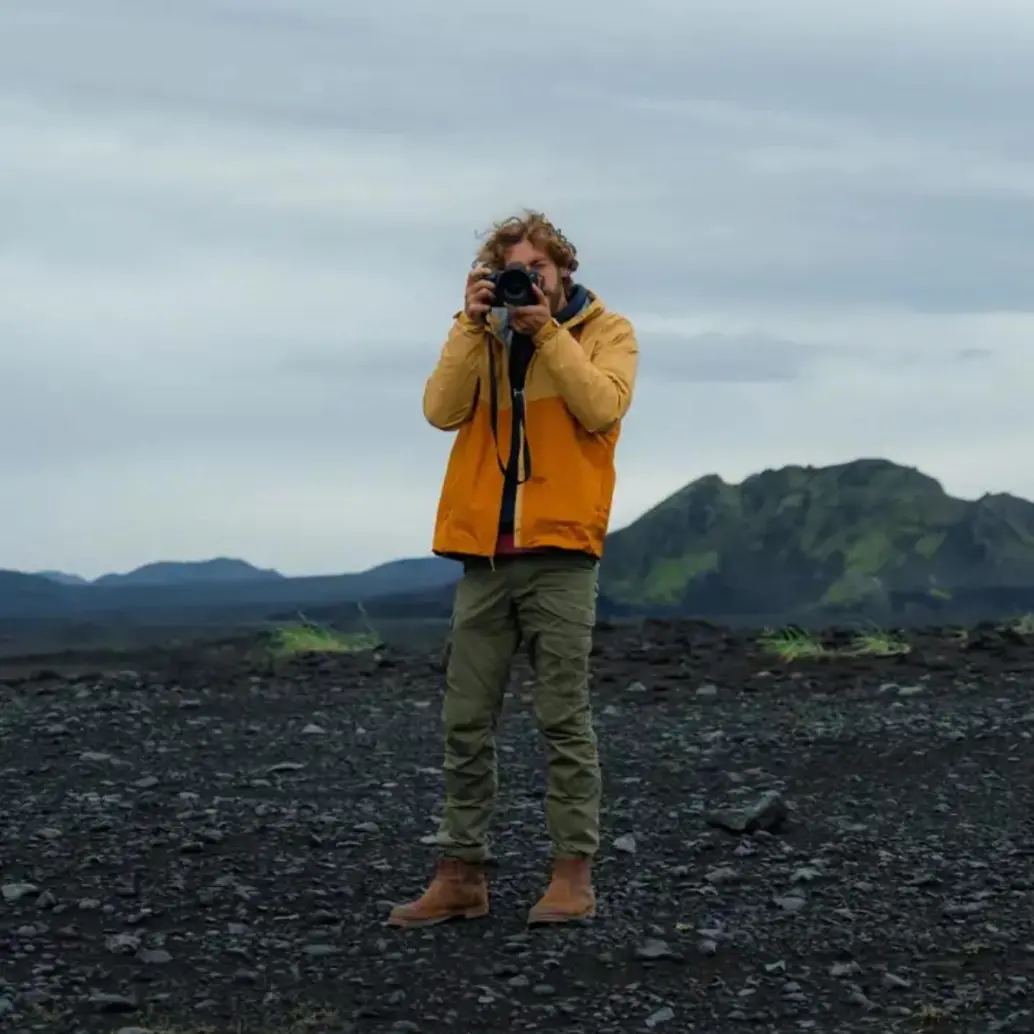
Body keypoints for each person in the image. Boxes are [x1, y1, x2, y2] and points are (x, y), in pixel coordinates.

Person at [387, 210, 639, 929]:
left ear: (563, 270)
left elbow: (602, 407)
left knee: (563, 719)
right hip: (485, 555)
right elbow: (440, 411)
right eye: (510, 272)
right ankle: (460, 876)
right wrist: (469, 326)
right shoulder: (481, 335)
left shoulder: (608, 332)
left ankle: (572, 877)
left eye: (537, 269)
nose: (525, 282)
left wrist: (546, 333)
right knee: (465, 721)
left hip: (561, 553)